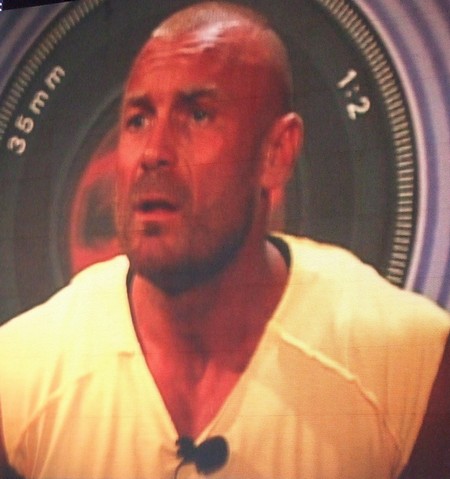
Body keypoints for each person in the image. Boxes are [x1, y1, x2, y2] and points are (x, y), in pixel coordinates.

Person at [0, 2, 449, 478]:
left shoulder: (409, 369)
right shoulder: (20, 375)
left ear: (277, 153)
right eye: (138, 120)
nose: (153, 152)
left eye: (198, 115)